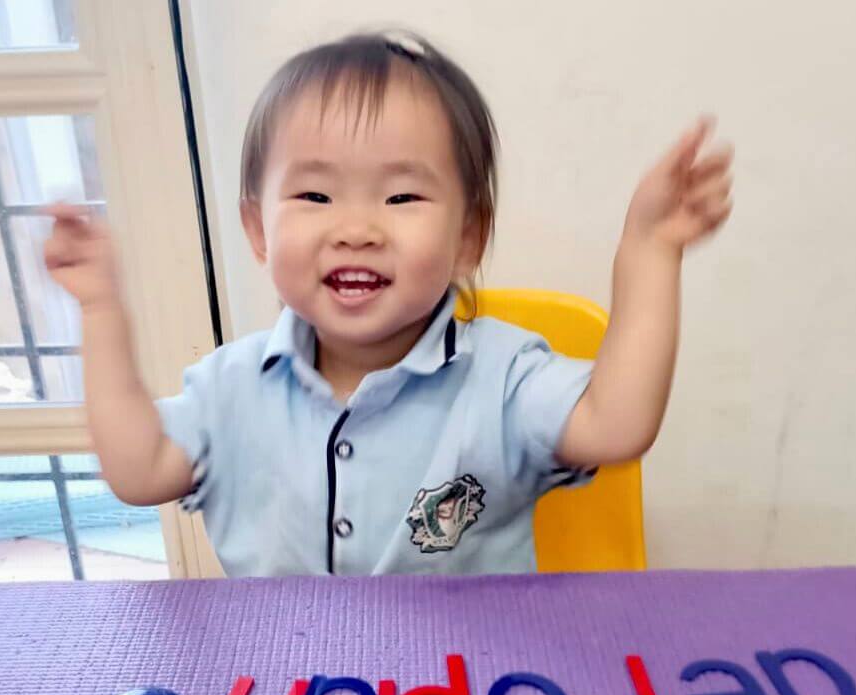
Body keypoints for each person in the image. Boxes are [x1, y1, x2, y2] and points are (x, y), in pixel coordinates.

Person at [43, 30, 733, 577]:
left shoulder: (502, 377)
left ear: (470, 235)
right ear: (258, 229)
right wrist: (102, 314)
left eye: (401, 197)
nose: (356, 229)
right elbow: (138, 473)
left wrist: (648, 253)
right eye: (314, 196)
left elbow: (617, 426)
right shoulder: (229, 389)